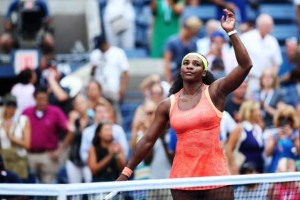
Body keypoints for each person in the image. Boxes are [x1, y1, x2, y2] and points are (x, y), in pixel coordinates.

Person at [116, 9, 252, 199]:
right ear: (180, 70)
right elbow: (147, 140)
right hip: (182, 180)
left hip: (216, 177)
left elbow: (245, 66)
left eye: (196, 64)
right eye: (186, 63)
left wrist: (231, 32)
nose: (189, 65)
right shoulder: (167, 104)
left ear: (203, 72)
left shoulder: (215, 91)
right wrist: (126, 173)